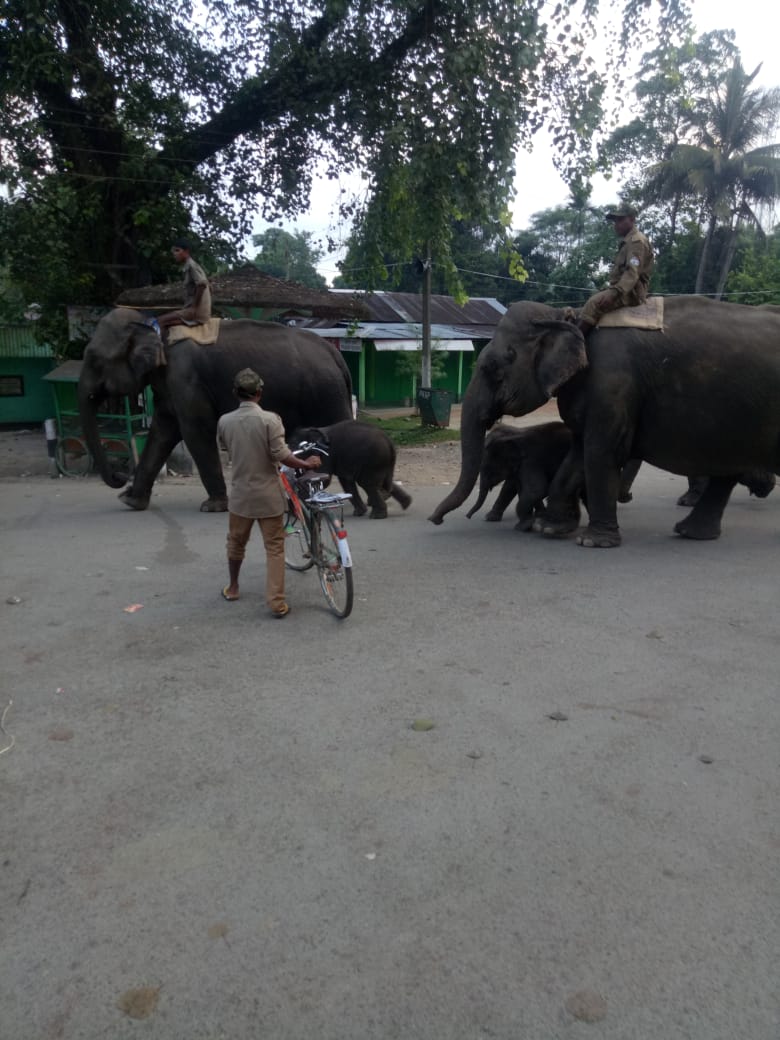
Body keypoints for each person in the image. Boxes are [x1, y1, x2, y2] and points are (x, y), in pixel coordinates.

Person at [216, 368, 321, 618]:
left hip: (241, 495)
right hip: (268, 495)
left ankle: (233, 587)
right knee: (274, 548)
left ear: (235, 393)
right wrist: (307, 464)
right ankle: (276, 603)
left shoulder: (224, 421)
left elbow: (225, 448)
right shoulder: (270, 420)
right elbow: (281, 455)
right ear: (259, 393)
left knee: (236, 543)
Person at [577, 203, 654, 337]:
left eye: (620, 220)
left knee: (593, 304)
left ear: (632, 219)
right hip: (624, 289)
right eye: (615, 221)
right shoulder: (628, 241)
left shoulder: (637, 242)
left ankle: (575, 341)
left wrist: (614, 293)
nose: (616, 224)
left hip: (632, 292)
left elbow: (632, 272)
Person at [157, 239, 212, 333]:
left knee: (159, 321)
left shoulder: (191, 266)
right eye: (173, 251)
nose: (174, 254)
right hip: (197, 311)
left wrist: (194, 307)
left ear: (186, 251)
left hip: (196, 313)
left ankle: (158, 347)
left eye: (177, 250)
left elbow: (202, 284)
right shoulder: (189, 266)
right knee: (168, 322)